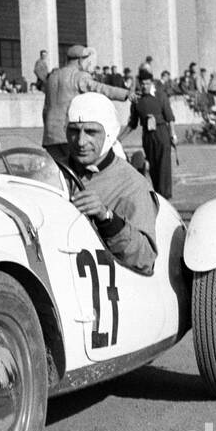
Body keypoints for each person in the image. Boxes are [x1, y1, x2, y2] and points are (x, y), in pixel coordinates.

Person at [65, 93, 158, 276]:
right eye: (74, 131)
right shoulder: (51, 170)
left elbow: (145, 259)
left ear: (108, 134)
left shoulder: (133, 185)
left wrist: (106, 217)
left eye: (91, 132)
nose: (81, 142)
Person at [41, 44, 132, 162]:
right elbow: (99, 88)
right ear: (80, 60)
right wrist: (125, 94)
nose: (89, 64)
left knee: (59, 172)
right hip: (69, 134)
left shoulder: (52, 77)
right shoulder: (79, 76)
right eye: (87, 60)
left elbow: (45, 109)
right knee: (76, 172)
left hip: (50, 136)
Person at [124, 71, 176, 200]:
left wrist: (173, 135)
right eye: (142, 84)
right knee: (152, 168)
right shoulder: (137, 100)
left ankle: (165, 197)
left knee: (164, 166)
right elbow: (132, 124)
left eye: (147, 83)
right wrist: (117, 138)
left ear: (151, 83)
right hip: (148, 136)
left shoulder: (160, 96)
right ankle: (158, 196)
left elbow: (169, 118)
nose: (144, 86)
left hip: (162, 133)